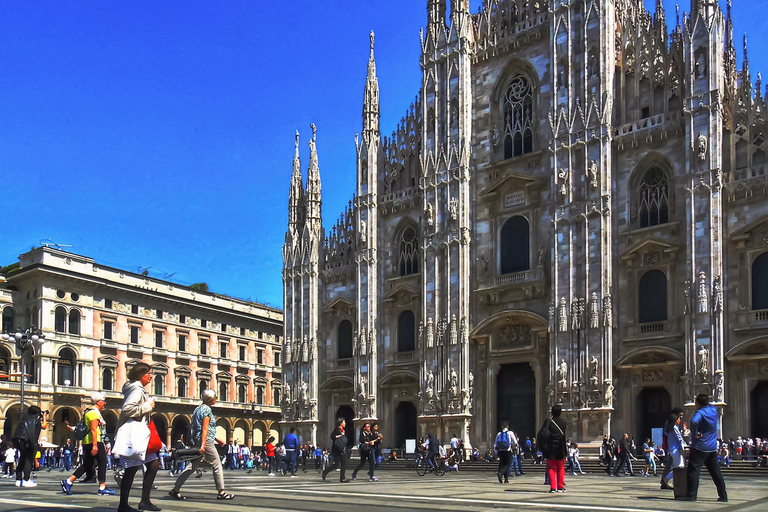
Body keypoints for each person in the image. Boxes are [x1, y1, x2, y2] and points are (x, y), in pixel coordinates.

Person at [168, 389, 234, 502]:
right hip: (205, 441)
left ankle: (175, 489)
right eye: (215, 397)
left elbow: (200, 428)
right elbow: (205, 428)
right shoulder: (207, 410)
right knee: (217, 465)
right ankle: (221, 492)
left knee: (192, 466)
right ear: (210, 399)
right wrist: (204, 445)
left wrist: (217, 439)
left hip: (199, 440)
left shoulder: (197, 409)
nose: (216, 399)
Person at [115, 362, 160, 512]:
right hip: (134, 435)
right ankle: (123, 505)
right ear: (139, 374)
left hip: (139, 434)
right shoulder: (136, 389)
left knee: (153, 464)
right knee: (131, 469)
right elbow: (127, 409)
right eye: (148, 373)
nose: (151, 376)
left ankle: (144, 501)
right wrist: (147, 406)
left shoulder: (137, 388)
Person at [61, 392, 116, 496]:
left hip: (88, 441)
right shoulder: (94, 413)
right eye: (103, 401)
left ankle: (68, 481)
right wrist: (95, 445)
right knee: (102, 462)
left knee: (87, 465)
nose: (105, 403)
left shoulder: (88, 411)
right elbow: (94, 430)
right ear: (98, 402)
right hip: (94, 441)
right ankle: (102, 487)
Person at [683, 394, 727, 502]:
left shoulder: (700, 412)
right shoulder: (713, 409)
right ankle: (723, 496)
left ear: (697, 403)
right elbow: (709, 404)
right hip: (712, 447)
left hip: (700, 447)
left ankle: (691, 496)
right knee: (716, 472)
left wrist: (695, 433)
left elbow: (694, 421)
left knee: (693, 471)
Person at [12, 405, 48, 487]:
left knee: (22, 458)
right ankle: (26, 479)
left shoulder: (24, 418)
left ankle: (18, 479)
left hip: (18, 440)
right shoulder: (36, 419)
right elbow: (44, 426)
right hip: (27, 441)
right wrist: (44, 417)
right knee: (29, 459)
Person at [541, 404, 567, 493]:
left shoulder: (548, 422)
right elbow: (564, 436)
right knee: (561, 468)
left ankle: (553, 487)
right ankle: (560, 486)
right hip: (560, 447)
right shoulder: (563, 421)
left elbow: (544, 434)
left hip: (550, 448)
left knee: (551, 468)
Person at [660, 407, 683, 489]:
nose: (680, 418)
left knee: (676, 466)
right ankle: (665, 480)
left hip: (672, 448)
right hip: (673, 448)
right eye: (680, 416)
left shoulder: (672, 427)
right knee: (677, 467)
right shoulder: (673, 426)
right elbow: (679, 438)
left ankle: (670, 481)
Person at [322, 418, 348, 482]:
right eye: (344, 422)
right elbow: (332, 437)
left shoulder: (343, 430)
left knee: (344, 463)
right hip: (336, 449)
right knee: (336, 464)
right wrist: (340, 435)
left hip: (342, 449)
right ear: (341, 423)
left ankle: (342, 478)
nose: (345, 424)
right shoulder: (337, 430)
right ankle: (325, 472)